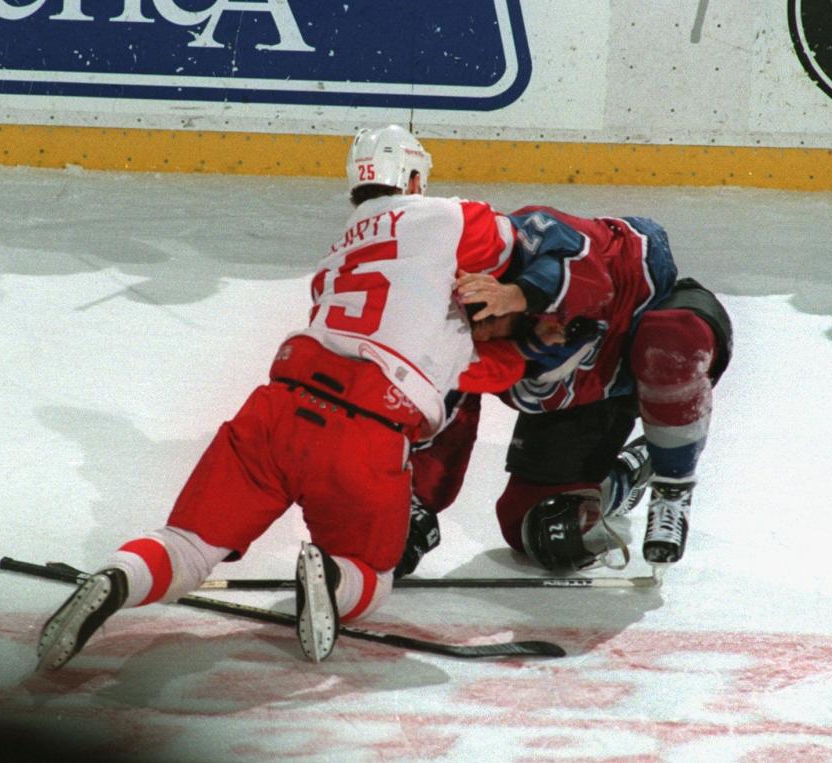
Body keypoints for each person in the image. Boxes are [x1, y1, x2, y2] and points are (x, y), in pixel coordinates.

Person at [35, 125, 524, 669]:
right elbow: (531, 246)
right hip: (366, 430)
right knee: (373, 573)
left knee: (189, 544)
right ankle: (333, 579)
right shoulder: (452, 218)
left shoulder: (338, 253)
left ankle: (119, 576)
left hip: (277, 408)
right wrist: (519, 302)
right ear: (413, 177)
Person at [397, 205, 733, 576]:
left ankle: (672, 488)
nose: (481, 325)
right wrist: (415, 505)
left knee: (671, 338)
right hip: (597, 396)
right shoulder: (462, 349)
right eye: (470, 321)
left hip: (654, 319)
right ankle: (628, 472)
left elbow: (592, 277)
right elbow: (447, 419)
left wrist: (519, 294)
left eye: (481, 306)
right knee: (539, 528)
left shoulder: (522, 237)